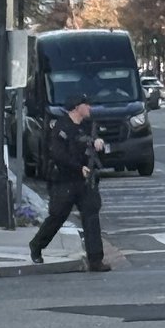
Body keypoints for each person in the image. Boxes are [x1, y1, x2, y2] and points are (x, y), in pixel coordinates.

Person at [29, 93, 110, 271]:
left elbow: (98, 153)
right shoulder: (61, 127)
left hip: (86, 181)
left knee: (91, 216)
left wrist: (99, 145)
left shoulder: (89, 127)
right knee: (57, 216)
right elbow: (58, 155)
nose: (89, 108)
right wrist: (78, 168)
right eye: (86, 104)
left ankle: (95, 259)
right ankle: (37, 245)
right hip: (64, 181)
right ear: (76, 107)